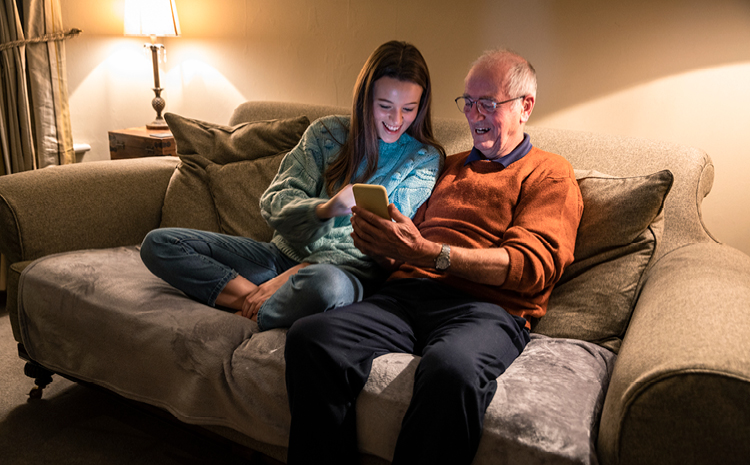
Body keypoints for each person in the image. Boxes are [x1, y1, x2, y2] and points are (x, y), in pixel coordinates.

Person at [284, 48, 584, 465]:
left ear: (525, 107)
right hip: (407, 296)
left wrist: (427, 252)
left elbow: (530, 268)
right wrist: (382, 243)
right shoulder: (447, 166)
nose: (474, 115)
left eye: (488, 104)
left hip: (487, 310)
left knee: (451, 371)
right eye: (468, 102)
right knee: (311, 338)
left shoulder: (550, 172)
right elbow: (408, 243)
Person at [139, 41, 444, 331]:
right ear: (365, 99)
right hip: (278, 256)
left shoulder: (423, 158)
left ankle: (254, 309)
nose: (396, 119)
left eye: (409, 108)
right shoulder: (327, 133)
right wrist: (325, 210)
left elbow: (384, 245)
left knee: (326, 288)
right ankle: (254, 301)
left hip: (344, 273)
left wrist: (296, 274)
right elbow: (275, 202)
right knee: (159, 244)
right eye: (385, 106)